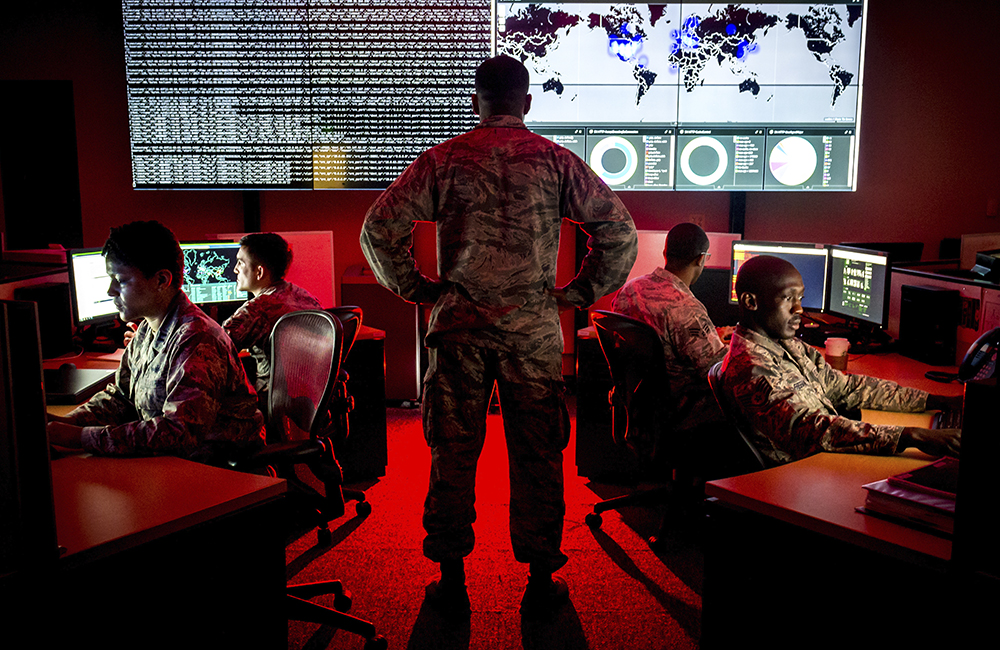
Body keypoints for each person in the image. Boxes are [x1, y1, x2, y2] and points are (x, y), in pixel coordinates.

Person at [360, 55, 637, 614]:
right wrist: (579, 293)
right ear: (527, 102)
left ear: (475, 101)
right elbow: (618, 230)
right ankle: (539, 578)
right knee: (537, 454)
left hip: (459, 328)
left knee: (452, 451)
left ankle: (452, 577)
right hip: (532, 334)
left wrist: (418, 287)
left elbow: (379, 226)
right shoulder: (557, 162)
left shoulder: (443, 159)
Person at [47, 221, 265, 465]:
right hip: (173, 464)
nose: (110, 291)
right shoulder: (149, 329)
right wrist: (69, 423)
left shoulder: (197, 339)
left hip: (222, 469)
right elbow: (122, 397)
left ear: (161, 280)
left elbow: (179, 434)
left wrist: (82, 438)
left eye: (120, 280)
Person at [719, 254, 962, 466]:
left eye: (800, 298)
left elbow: (846, 388)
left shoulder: (785, 344)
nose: (799, 309)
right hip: (799, 476)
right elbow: (812, 429)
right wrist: (913, 436)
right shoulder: (752, 369)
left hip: (828, 459)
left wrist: (935, 400)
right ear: (751, 302)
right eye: (787, 298)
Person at [612, 223, 730, 439]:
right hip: (681, 411)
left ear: (665, 252)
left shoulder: (630, 290)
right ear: (701, 258)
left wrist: (711, 336)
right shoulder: (686, 307)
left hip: (640, 406)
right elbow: (717, 370)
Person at [223, 232, 322, 392]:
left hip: (272, 403)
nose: (235, 269)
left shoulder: (258, 309)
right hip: (314, 401)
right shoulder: (308, 298)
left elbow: (216, 347)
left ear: (259, 272)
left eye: (241, 263)